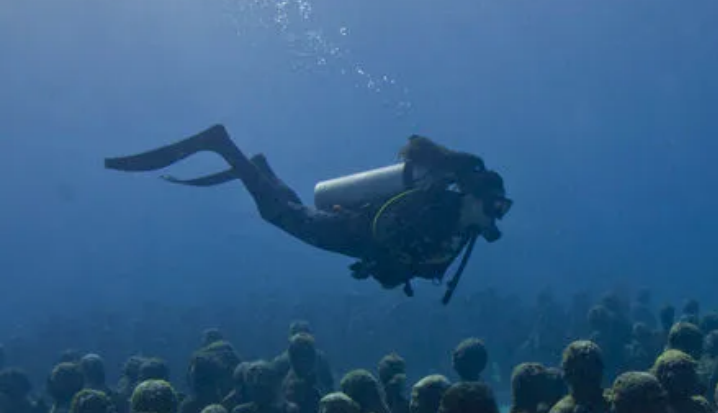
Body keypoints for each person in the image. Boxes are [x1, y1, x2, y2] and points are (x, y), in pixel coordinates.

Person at [104, 124, 511, 302]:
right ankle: (221, 143)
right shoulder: (437, 211)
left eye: (502, 209)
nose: (497, 216)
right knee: (278, 214)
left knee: (292, 209)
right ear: (473, 196)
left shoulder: (458, 227)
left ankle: (260, 169)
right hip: (345, 231)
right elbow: (387, 233)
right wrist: (383, 265)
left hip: (350, 239)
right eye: (495, 206)